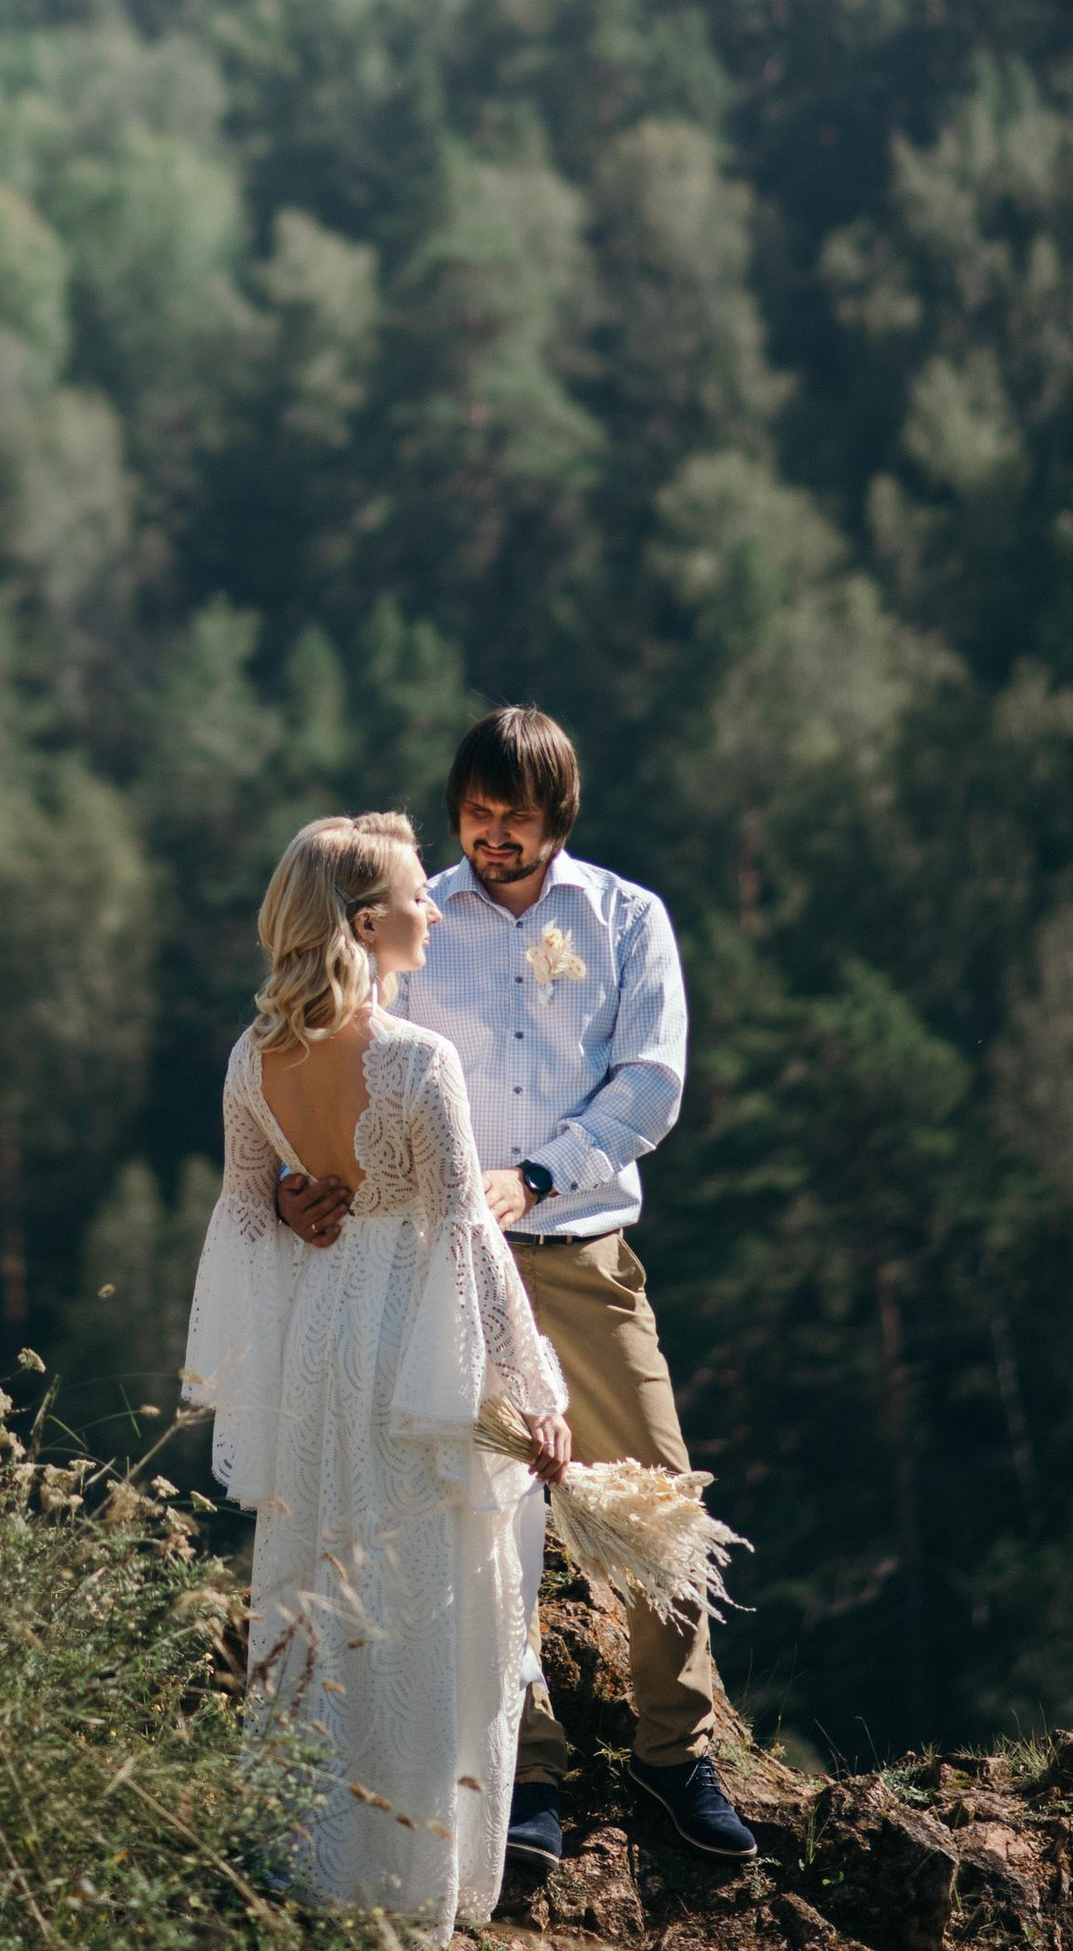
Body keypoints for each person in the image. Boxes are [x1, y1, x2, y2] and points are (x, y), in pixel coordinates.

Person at [274, 708, 754, 1867]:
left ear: (559, 817)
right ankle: (522, 1770)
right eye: (477, 815)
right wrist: (305, 1181)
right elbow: (343, 1061)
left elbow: (652, 1083)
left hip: (582, 1253)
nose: (493, 836)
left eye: (516, 818)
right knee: (484, 1523)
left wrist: (535, 1177)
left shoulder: (630, 920)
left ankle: (674, 1756)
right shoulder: (416, 918)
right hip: (442, 1267)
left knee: (657, 1494)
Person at [181, 813, 573, 1937]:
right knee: (423, 1599)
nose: (434, 909)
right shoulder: (415, 1061)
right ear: (365, 924)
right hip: (412, 1339)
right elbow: (464, 1238)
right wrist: (533, 1396)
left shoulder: (253, 1056)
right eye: (415, 895)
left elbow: (245, 1215)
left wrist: (297, 1205)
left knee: (320, 1583)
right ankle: (409, 1883)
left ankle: (309, 1859)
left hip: (319, 1340)